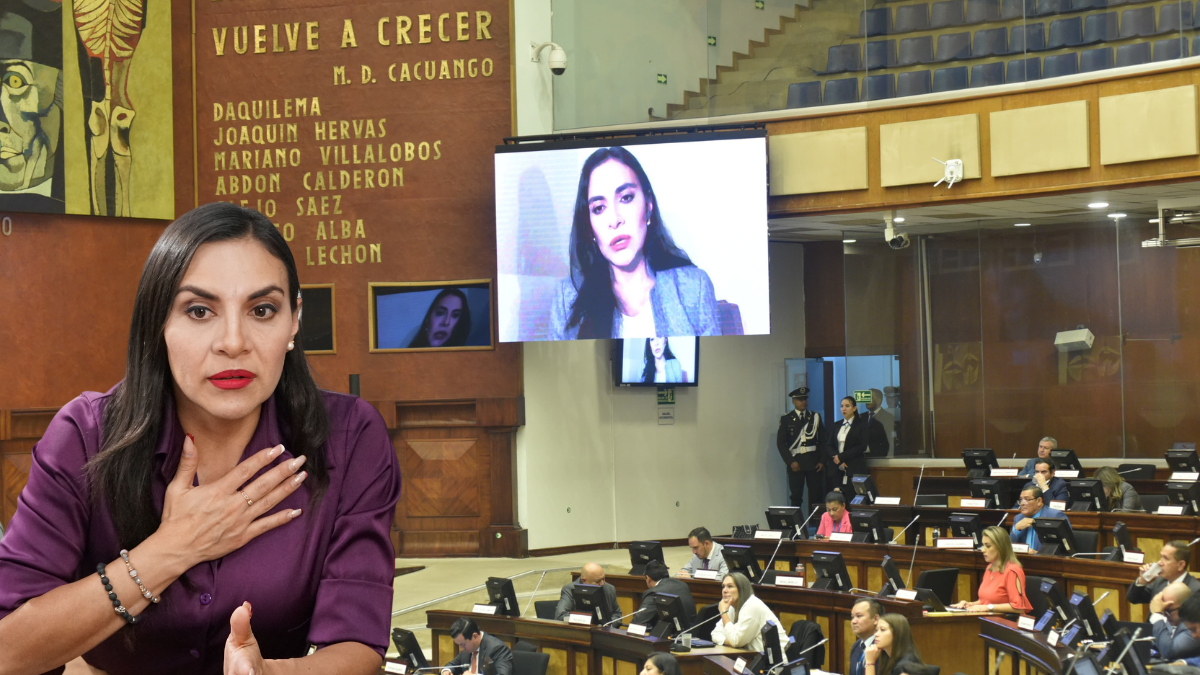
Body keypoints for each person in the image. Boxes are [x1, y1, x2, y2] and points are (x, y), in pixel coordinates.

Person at [0, 203, 402, 674]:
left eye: (262, 310)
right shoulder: (84, 437)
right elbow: (9, 649)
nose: (233, 342)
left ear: (293, 320)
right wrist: (173, 549)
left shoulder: (351, 437)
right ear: (159, 323)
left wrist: (271, 673)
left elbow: (358, 643)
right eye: (199, 310)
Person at [549, 146, 720, 339]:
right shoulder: (567, 300)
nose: (614, 220)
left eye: (626, 198)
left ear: (648, 205)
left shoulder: (694, 288)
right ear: (589, 227)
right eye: (599, 208)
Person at [951, 527, 1032, 613]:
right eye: (983, 545)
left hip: (1006, 620)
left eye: (988, 546)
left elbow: (1019, 607)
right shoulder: (989, 568)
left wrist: (988, 607)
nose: (983, 550)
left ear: (1001, 547)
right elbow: (985, 601)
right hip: (988, 617)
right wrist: (970, 604)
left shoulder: (1012, 571)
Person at [711, 572, 789, 655]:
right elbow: (715, 634)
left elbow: (736, 641)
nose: (724, 590)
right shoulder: (732, 607)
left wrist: (724, 613)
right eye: (723, 586)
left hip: (775, 659)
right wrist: (730, 641)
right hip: (753, 656)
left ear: (742, 589)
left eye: (730, 586)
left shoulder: (752, 605)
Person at [776, 387, 825, 511]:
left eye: (805, 399)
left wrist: (822, 461)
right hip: (796, 462)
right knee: (796, 496)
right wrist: (790, 461)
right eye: (800, 399)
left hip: (813, 462)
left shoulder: (815, 417)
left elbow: (823, 441)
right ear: (793, 401)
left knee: (817, 496)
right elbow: (781, 443)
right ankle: (797, 522)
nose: (804, 402)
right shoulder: (786, 418)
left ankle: (817, 522)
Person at [825, 396, 885, 492]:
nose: (843, 409)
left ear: (854, 408)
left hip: (854, 465)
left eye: (847, 406)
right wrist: (837, 457)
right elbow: (829, 444)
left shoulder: (861, 425)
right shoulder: (836, 425)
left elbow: (862, 446)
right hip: (837, 467)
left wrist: (842, 457)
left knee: (854, 494)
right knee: (837, 495)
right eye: (842, 406)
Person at [1129, 540, 1200, 604]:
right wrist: (1142, 580)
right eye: (1161, 557)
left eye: (1166, 558)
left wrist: (1158, 611)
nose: (1160, 563)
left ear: (1181, 565)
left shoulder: (1195, 590)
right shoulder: (1160, 581)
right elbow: (1133, 598)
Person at [634, 560, 696, 628]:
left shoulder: (654, 592)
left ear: (648, 578)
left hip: (672, 633)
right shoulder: (683, 585)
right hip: (691, 631)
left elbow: (638, 622)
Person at [441, 617, 513, 675]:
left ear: (475, 636)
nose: (461, 648)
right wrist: (447, 671)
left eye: (463, 644)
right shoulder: (466, 650)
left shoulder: (498, 648)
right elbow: (452, 665)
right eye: (459, 645)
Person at [555, 562, 622, 624]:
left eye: (603, 579)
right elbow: (560, 616)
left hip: (605, 630)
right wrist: (588, 620)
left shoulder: (609, 589)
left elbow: (617, 614)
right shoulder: (569, 589)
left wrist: (608, 625)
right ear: (584, 580)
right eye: (598, 581)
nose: (602, 583)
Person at [1010, 486, 1069, 553]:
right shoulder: (1018, 518)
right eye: (1021, 500)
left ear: (1039, 501)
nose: (1022, 503)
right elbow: (1008, 548)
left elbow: (1066, 547)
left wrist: (1038, 554)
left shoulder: (1055, 516)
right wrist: (1016, 529)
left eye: (1027, 499)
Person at [1150, 583, 1200, 660]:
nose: (1165, 615)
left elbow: (1169, 652)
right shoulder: (1171, 620)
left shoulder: (1193, 625)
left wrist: (1157, 615)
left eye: (1168, 611)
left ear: (1184, 607)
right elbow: (1155, 645)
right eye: (1163, 611)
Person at [848, 599, 883, 675]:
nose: (853, 621)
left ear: (875, 619)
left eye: (859, 616)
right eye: (852, 617)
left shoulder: (882, 649)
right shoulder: (856, 646)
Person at [865, 389, 894, 457]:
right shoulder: (860, 417)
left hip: (880, 457)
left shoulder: (888, 418)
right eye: (866, 398)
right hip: (861, 458)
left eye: (870, 398)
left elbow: (888, 441)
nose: (867, 401)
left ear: (879, 400)